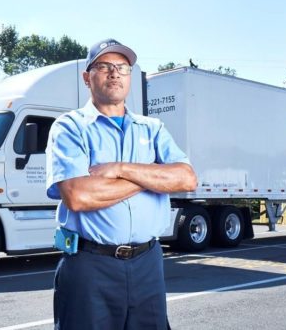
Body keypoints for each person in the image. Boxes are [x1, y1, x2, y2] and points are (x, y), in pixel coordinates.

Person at [46, 38, 197, 329]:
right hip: (90, 265)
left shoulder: (152, 129)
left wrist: (120, 169)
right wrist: (153, 176)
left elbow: (186, 178)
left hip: (148, 263)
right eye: (104, 66)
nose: (114, 73)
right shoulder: (70, 126)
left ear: (129, 76)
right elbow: (78, 196)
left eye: (122, 67)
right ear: (87, 78)